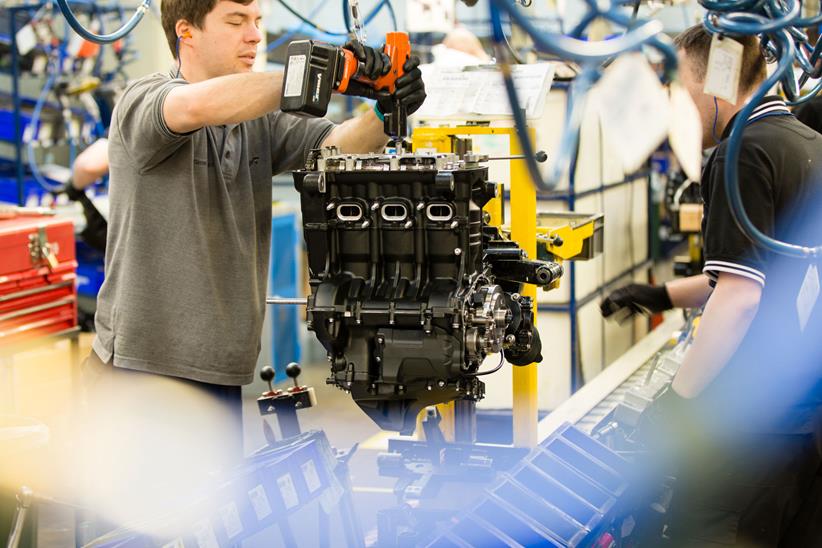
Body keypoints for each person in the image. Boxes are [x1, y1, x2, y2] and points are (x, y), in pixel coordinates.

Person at [74, 0, 426, 526]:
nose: (253, 36)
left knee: (204, 528)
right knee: (144, 534)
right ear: (186, 31)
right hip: (143, 374)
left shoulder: (258, 121)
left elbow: (334, 145)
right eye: (237, 22)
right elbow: (194, 108)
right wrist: (320, 75)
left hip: (217, 369)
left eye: (257, 22)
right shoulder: (143, 102)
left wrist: (386, 111)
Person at [602, 25, 822, 546]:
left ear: (714, 83)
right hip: (800, 422)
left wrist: (678, 401)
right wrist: (662, 295)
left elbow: (741, 296)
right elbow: (758, 271)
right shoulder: (804, 142)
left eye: (677, 87)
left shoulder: (739, 151)